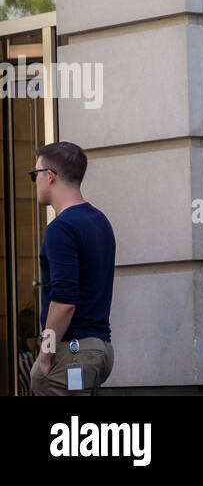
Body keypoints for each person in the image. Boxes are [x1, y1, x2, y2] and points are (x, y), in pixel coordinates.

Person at [31, 141, 116, 395]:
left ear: (49, 176)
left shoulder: (61, 228)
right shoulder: (100, 221)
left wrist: (45, 355)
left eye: (34, 175)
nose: (34, 181)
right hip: (97, 348)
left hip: (72, 352)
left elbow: (65, 301)